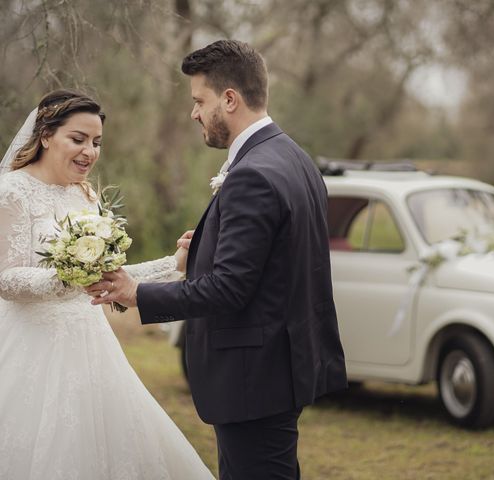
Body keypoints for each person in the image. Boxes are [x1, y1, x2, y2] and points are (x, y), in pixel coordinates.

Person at [88, 40, 348, 479]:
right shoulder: (295, 158)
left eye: (198, 100)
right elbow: (276, 261)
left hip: (253, 378)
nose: (193, 113)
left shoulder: (251, 174)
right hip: (283, 366)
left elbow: (231, 287)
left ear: (229, 99)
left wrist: (138, 294)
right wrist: (206, 247)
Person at [0, 90, 214, 479]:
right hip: (30, 346)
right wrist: (66, 277)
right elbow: (7, 279)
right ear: (46, 135)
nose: (90, 152)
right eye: (78, 139)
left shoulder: (86, 197)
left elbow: (113, 277)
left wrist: (175, 263)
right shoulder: (12, 191)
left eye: (96, 142)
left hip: (90, 344)